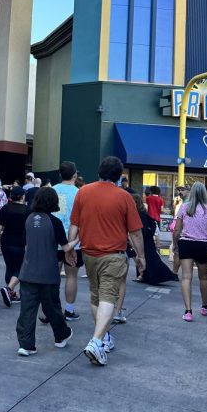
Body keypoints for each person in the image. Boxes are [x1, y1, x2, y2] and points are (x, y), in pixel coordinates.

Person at [68, 156, 145, 366]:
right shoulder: (124, 197)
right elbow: (135, 233)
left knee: (96, 296)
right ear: (119, 176)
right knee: (108, 297)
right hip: (113, 254)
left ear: (99, 171)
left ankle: (103, 338)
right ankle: (96, 340)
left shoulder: (83, 192)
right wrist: (141, 256)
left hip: (89, 253)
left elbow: (74, 225)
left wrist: (70, 248)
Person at [16, 187, 76, 356]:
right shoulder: (55, 222)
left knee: (27, 310)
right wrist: (78, 239)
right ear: (53, 202)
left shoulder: (28, 219)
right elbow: (65, 247)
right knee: (52, 308)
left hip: (27, 272)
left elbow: (25, 245)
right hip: (48, 273)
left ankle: (26, 345)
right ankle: (61, 335)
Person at [172, 182, 207, 321]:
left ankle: (188, 311)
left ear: (192, 192)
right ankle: (204, 306)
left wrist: (175, 244)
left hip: (186, 243)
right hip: (202, 246)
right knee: (204, 278)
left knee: (186, 277)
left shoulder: (184, 207)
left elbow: (177, 229)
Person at [51, 161, 82, 320]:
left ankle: (50, 310)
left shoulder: (52, 190)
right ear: (75, 175)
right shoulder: (80, 193)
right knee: (71, 276)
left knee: (52, 277)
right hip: (73, 241)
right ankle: (69, 310)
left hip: (53, 240)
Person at [130, 192, 178, 286]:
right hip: (147, 236)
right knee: (147, 256)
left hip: (143, 237)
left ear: (135, 202)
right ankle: (144, 275)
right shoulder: (142, 213)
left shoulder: (138, 213)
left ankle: (146, 275)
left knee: (145, 256)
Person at [0, 186, 28, 307]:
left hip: (6, 241)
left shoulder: (6, 208)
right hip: (20, 242)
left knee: (10, 266)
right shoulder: (27, 210)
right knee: (21, 269)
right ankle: (9, 289)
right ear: (22, 196)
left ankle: (12, 293)